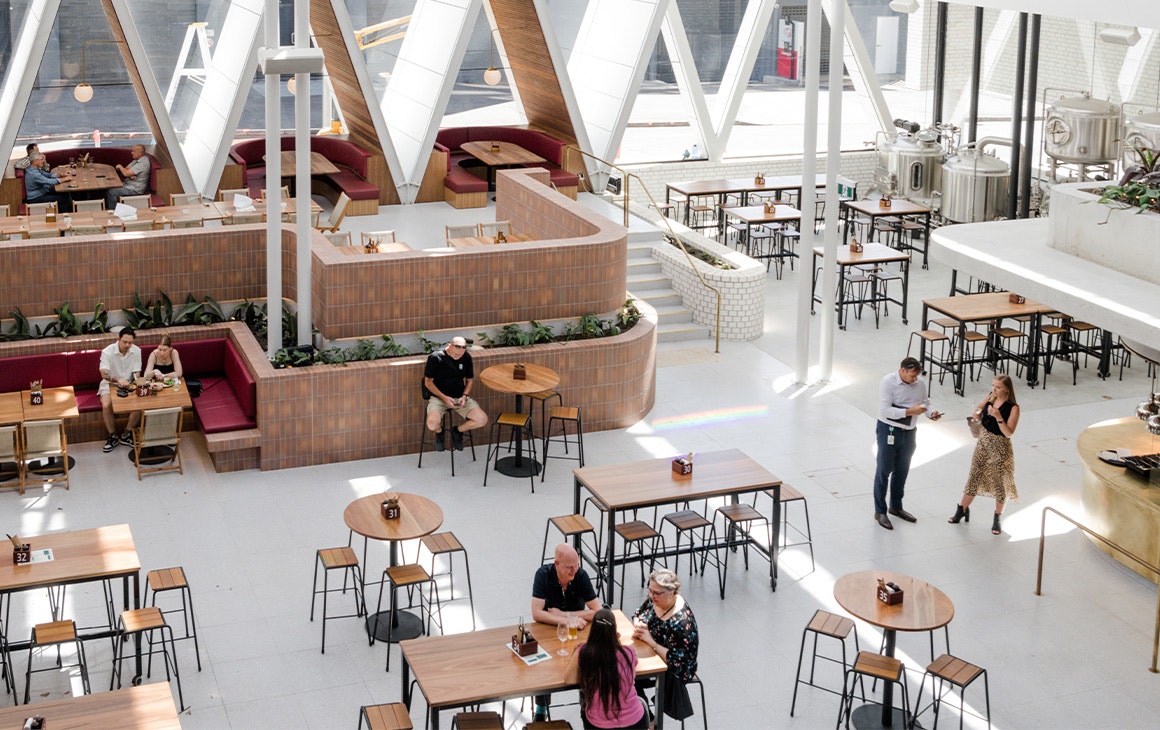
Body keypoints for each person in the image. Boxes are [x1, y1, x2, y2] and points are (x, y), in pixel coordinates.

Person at [532, 543, 602, 721]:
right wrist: (567, 621)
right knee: (543, 668)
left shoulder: (581, 576)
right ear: (556, 564)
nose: (574, 571)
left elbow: (597, 611)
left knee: (587, 663)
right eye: (569, 567)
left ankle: (585, 703)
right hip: (550, 630)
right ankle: (540, 710)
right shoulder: (543, 575)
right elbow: (536, 613)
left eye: (576, 566)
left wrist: (565, 614)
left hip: (577, 632)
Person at [873, 356, 942, 530]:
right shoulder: (887, 382)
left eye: (917, 376)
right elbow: (885, 410)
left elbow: (925, 403)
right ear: (902, 370)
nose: (915, 379)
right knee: (883, 470)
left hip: (909, 432)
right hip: (889, 429)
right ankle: (880, 511)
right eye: (912, 375)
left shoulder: (920, 383)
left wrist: (931, 413)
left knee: (902, 471)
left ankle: (896, 506)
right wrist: (911, 411)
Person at [949, 374, 1020, 535]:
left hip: (1000, 447)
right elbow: (976, 414)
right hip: (983, 443)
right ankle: (962, 509)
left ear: (1007, 389)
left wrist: (998, 417)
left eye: (998, 387)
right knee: (974, 476)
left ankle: (997, 517)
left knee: (1000, 482)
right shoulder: (991, 398)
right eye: (993, 385)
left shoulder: (1013, 408)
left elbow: (1009, 433)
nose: (994, 389)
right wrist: (983, 403)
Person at [631, 569, 699, 723]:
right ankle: (644, 716)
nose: (652, 595)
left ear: (672, 593)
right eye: (650, 590)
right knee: (623, 674)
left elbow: (677, 661)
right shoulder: (654, 600)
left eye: (657, 593)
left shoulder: (682, 622)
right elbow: (638, 614)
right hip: (651, 652)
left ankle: (648, 722)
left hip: (675, 670)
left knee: (628, 677)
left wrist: (651, 642)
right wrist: (638, 624)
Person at [565, 608, 648, 730]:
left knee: (584, 704)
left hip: (600, 725)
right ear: (615, 631)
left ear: (592, 630)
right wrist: (617, 643)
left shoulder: (584, 651)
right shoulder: (629, 652)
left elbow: (569, 679)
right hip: (635, 722)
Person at [423, 336, 487, 451]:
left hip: (459, 397)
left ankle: (457, 431)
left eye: (461, 354)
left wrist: (465, 396)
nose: (458, 357)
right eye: (456, 354)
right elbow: (428, 383)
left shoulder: (466, 357)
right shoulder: (435, 358)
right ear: (449, 346)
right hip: (439, 398)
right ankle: (440, 432)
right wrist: (444, 398)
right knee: (432, 424)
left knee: (482, 419)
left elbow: (470, 380)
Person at [98, 327, 143, 453]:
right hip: (110, 383)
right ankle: (112, 436)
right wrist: (118, 380)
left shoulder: (137, 351)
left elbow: (137, 372)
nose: (127, 345)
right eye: (125, 342)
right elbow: (104, 373)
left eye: (130, 343)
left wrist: (133, 382)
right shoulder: (107, 351)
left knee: (139, 404)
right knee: (107, 405)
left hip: (129, 384)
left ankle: (127, 433)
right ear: (118, 339)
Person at [104, 144, 151, 209]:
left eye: (134, 151)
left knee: (111, 192)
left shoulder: (143, 163)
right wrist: (129, 174)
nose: (131, 153)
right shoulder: (136, 160)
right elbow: (126, 169)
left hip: (135, 188)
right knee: (109, 186)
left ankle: (113, 211)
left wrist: (120, 167)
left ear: (140, 153)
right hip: (129, 184)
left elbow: (125, 173)